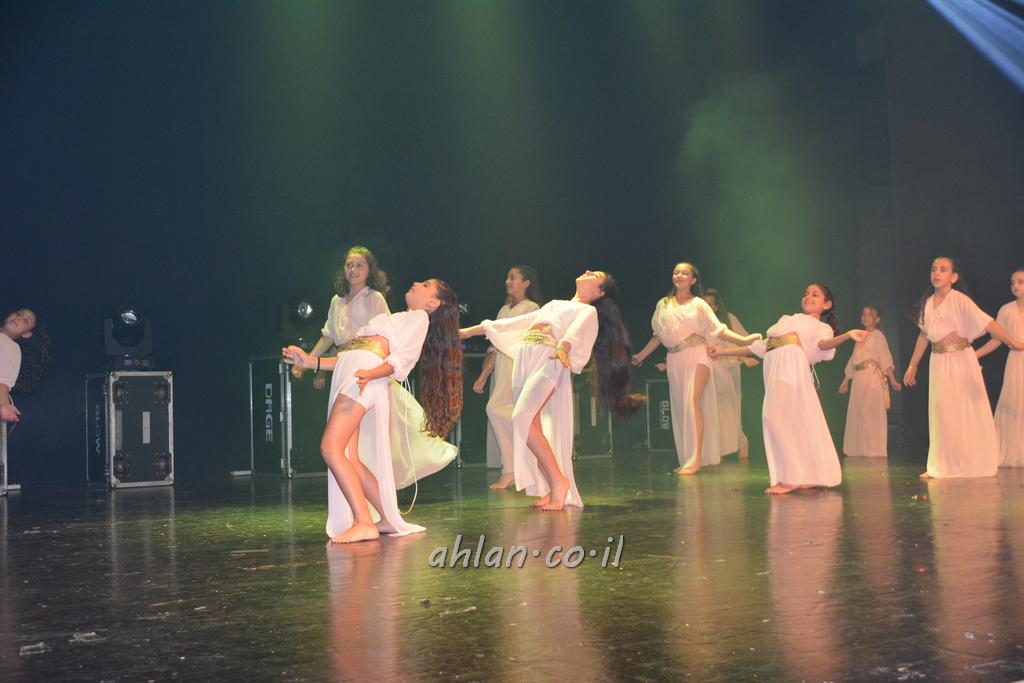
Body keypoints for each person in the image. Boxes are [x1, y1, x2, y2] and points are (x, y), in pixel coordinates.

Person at [282, 279, 462, 543]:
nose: (415, 283)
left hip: (362, 378)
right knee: (350, 456)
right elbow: (348, 356)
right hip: (355, 373)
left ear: (433, 302)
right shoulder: (399, 318)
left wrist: (372, 373)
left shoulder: (419, 318)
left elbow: (402, 360)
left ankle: (364, 522)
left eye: (424, 284)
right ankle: (387, 518)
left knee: (331, 448)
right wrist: (310, 362)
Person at [460, 271, 644, 510]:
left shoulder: (587, 311)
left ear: (599, 292)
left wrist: (563, 348)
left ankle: (559, 481)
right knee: (531, 425)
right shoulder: (555, 304)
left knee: (521, 418)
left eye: (595, 274)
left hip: (551, 358)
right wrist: (468, 332)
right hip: (526, 357)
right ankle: (550, 485)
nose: (588, 271)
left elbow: (575, 331)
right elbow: (516, 323)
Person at [709, 284, 867, 494]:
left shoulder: (821, 327)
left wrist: (847, 335)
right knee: (792, 421)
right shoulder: (787, 319)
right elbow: (760, 347)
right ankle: (807, 475)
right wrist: (721, 352)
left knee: (772, 416)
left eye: (815, 294)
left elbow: (823, 345)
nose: (808, 296)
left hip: (791, 365)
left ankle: (791, 477)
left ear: (826, 304)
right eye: (806, 293)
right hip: (774, 365)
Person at [631, 264, 760, 474]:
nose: (679, 275)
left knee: (692, 402)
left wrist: (744, 340)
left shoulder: (699, 304)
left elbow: (718, 329)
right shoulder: (663, 305)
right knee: (681, 408)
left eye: (685, 273)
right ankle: (688, 457)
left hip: (697, 354)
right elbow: (658, 336)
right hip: (675, 358)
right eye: (676, 272)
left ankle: (696, 458)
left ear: (693, 280)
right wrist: (640, 356)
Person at [904, 257, 1024, 478]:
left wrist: (1014, 342)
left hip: (959, 359)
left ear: (954, 277)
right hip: (938, 361)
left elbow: (989, 323)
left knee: (960, 410)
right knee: (941, 412)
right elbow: (924, 335)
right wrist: (913, 364)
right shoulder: (928, 303)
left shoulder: (959, 300)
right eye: (933, 269)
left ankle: (966, 461)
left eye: (943, 270)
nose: (936, 273)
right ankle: (941, 463)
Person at [471, 265, 542, 490]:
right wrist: (484, 374)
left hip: (518, 366)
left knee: (509, 413)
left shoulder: (531, 308)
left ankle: (523, 466)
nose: (508, 281)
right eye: (507, 277)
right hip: (502, 368)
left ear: (526, 283)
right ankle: (512, 468)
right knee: (497, 410)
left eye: (513, 278)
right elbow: (495, 345)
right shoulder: (503, 310)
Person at [702, 287, 758, 460]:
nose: (707, 307)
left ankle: (741, 444)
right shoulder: (699, 323)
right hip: (707, 370)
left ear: (716, 307)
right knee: (711, 411)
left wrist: (743, 358)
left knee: (729, 409)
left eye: (710, 304)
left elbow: (743, 342)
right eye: (704, 304)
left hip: (726, 368)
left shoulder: (728, 320)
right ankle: (716, 451)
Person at [976, 269, 1024, 467]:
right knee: (1013, 404)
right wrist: (974, 355)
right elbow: (997, 339)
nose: (1015, 286)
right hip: (1015, 362)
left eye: (1020, 282)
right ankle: (1013, 451)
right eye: (1013, 282)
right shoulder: (1006, 310)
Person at [838, 306, 901, 457]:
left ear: (877, 319)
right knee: (859, 412)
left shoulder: (878, 336)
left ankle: (873, 449)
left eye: (870, 315)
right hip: (859, 378)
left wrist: (893, 380)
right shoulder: (859, 336)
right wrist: (846, 380)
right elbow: (854, 359)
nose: (866, 317)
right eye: (864, 314)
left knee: (869, 412)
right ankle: (859, 449)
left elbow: (885, 358)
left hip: (872, 377)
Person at [0, 309, 38, 423]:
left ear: (26, 334)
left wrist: (4, 405)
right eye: (18, 314)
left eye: (26, 320)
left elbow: (3, 382)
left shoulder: (11, 347)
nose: (19, 318)